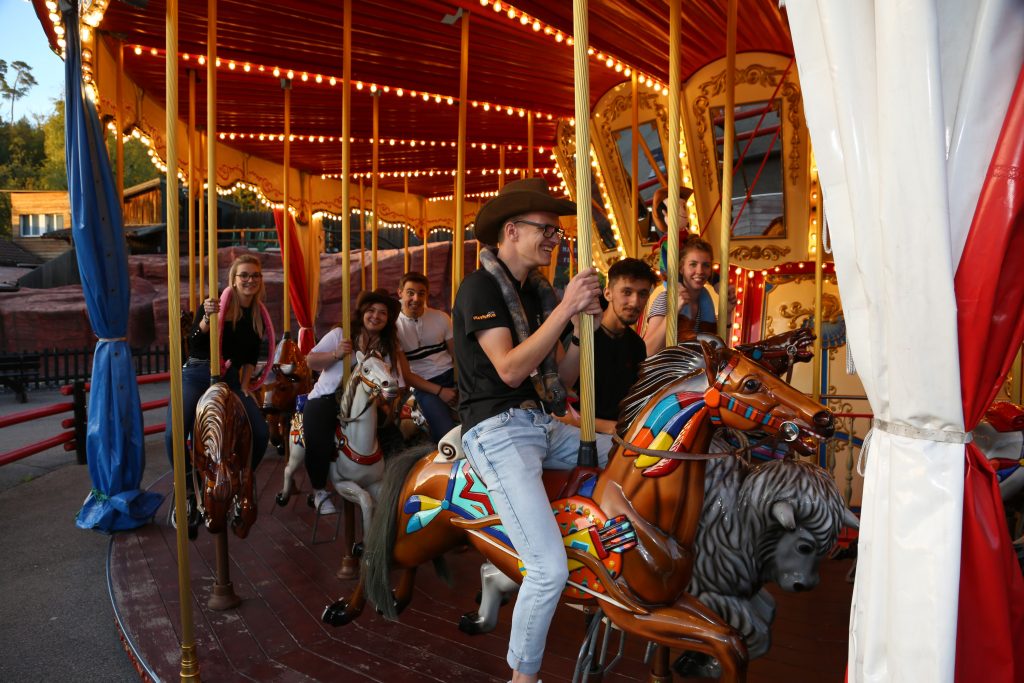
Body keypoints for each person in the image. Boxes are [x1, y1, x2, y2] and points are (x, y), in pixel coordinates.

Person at [453, 177, 603, 683]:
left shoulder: (535, 293)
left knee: (633, 453)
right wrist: (565, 307)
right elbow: (512, 370)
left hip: (542, 422)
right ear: (512, 231)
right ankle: (523, 678)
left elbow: (558, 376)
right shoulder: (479, 287)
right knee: (547, 570)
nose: (553, 241)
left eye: (557, 235)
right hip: (496, 430)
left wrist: (581, 329)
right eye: (547, 231)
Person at [165, 254, 271, 528]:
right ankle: (187, 487)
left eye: (255, 276)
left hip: (231, 379)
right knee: (175, 430)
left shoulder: (258, 314)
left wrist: (246, 386)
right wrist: (206, 321)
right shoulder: (215, 305)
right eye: (244, 275)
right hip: (200, 371)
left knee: (259, 432)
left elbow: (249, 358)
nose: (250, 280)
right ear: (233, 280)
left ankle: (243, 480)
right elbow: (195, 341)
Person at [302, 289, 408, 514]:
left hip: (364, 404)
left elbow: (393, 384)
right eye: (371, 311)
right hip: (328, 397)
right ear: (362, 313)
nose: (376, 316)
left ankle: (395, 486)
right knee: (319, 435)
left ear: (388, 319)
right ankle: (319, 490)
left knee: (394, 438)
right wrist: (336, 354)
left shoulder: (387, 348)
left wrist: (385, 401)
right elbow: (310, 361)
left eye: (382, 313)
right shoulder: (341, 334)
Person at [589, 257, 656, 435]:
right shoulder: (583, 336)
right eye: (627, 292)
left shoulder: (636, 345)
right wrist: (608, 427)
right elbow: (559, 410)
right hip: (583, 433)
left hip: (619, 433)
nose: (635, 302)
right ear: (608, 293)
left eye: (642, 294)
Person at [642, 233, 735, 355]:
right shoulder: (665, 299)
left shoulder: (705, 302)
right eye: (693, 264)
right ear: (681, 268)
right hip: (667, 371)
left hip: (695, 371)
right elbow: (646, 351)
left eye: (706, 265)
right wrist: (673, 313)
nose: (700, 271)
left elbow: (718, 349)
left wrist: (727, 314)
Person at [394, 271, 458, 442]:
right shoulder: (395, 328)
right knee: (447, 433)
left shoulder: (440, 318)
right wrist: (440, 392)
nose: (416, 298)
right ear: (400, 293)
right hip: (424, 384)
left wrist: (460, 382)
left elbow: (456, 356)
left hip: (451, 375)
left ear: (427, 294)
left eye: (421, 293)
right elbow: (407, 376)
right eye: (410, 293)